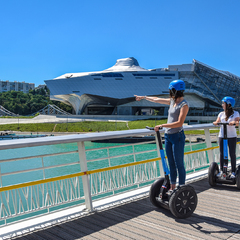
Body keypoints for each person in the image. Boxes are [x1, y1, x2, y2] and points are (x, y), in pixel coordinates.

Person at [135, 79, 189, 190]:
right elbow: (157, 100)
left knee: (179, 163)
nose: (169, 92)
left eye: (170, 90)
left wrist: (162, 125)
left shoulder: (184, 105)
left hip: (177, 136)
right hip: (168, 136)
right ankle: (173, 188)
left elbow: (179, 123)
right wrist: (144, 97)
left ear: (175, 91)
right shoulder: (172, 101)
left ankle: (182, 188)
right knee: (171, 163)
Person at [213, 97, 239, 178]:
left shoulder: (236, 113)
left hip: (231, 136)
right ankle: (222, 170)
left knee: (232, 154)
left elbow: (237, 122)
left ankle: (233, 171)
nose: (222, 105)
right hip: (222, 136)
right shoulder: (221, 114)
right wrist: (216, 123)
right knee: (222, 154)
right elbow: (217, 121)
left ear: (228, 104)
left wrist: (234, 122)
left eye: (223, 103)